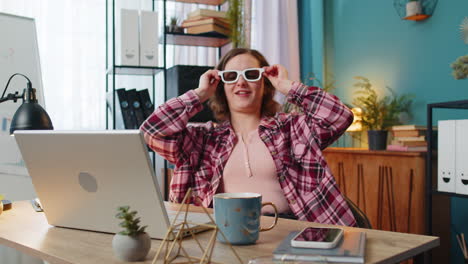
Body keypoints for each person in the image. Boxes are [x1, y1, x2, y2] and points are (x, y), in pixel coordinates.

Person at [140, 48, 357, 227]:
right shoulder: (202, 139)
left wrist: (286, 86)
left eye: (251, 75)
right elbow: (152, 132)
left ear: (264, 84)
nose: (241, 83)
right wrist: (200, 93)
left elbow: (340, 117)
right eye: (231, 76)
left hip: (295, 231)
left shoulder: (293, 128)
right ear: (221, 85)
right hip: (222, 232)